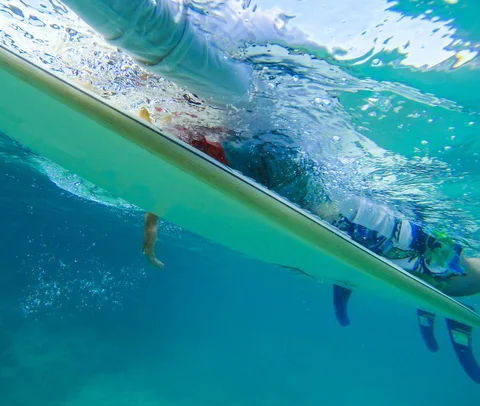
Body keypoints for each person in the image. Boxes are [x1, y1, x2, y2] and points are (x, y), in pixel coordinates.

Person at [63, 0, 480, 296]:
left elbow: (161, 184)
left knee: (333, 217)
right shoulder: (159, 116)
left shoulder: (214, 99)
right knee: (306, 238)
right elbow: (165, 181)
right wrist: (150, 231)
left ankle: (448, 262)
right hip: (269, 175)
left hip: (284, 165)